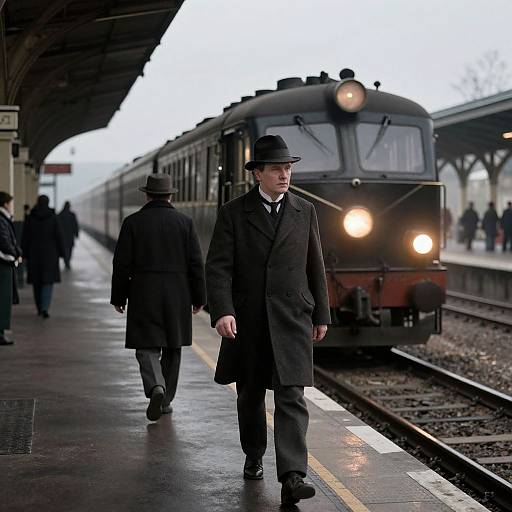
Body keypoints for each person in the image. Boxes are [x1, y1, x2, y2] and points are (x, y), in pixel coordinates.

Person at [205, 135, 330, 507]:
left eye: (288, 168)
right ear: (257, 173)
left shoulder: (304, 211)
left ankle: (293, 475)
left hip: (292, 317)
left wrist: (321, 312)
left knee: (292, 394)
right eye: (276, 169)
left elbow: (315, 264)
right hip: (250, 320)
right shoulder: (233, 212)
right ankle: (254, 452)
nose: (284, 174)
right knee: (251, 394)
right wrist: (223, 310)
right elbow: (218, 268)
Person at [111, 174, 206, 422]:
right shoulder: (185, 223)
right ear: (170, 195)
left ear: (147, 195)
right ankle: (165, 401)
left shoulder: (133, 222)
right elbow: (196, 264)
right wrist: (199, 297)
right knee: (172, 348)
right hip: (178, 294)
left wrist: (118, 296)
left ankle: (155, 386)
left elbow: (121, 264)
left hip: (144, 292)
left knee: (146, 346)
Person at [21, 195, 65, 318]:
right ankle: (45, 308)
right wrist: (62, 254)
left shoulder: (30, 218)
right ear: (48, 202)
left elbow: (25, 238)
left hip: (34, 255)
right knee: (47, 283)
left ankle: (39, 308)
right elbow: (59, 237)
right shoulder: (53, 218)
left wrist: (23, 254)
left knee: (37, 283)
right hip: (50, 255)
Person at [0, 192, 22, 345]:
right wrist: (16, 254)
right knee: (3, 299)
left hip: (6, 263)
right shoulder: (2, 220)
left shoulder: (4, 219)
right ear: (5, 204)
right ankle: (0, 333)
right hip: (4, 264)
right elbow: (5, 241)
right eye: (10, 203)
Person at [58, 201, 80, 270]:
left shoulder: (60, 214)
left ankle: (66, 261)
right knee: (70, 249)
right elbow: (75, 225)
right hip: (70, 236)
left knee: (65, 249)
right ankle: (68, 261)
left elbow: (57, 226)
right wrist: (76, 234)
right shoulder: (72, 215)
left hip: (62, 236)